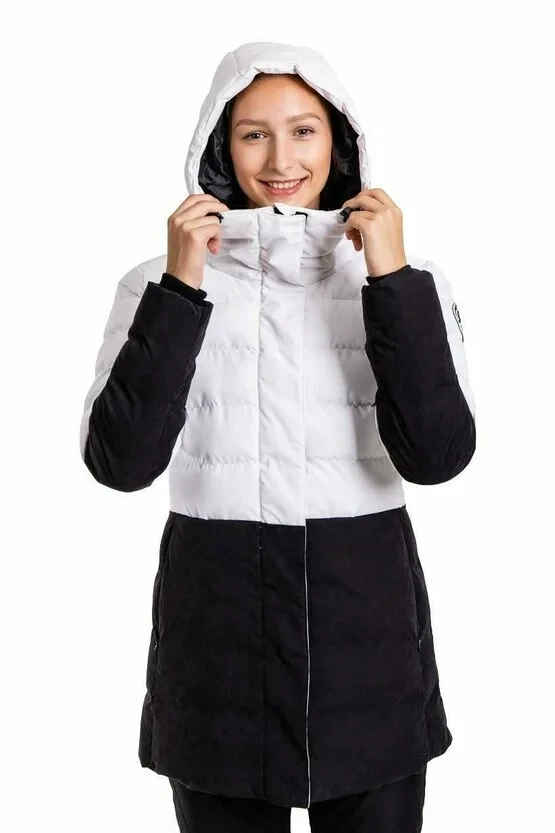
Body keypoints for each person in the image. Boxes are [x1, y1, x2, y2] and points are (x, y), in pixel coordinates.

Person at [79, 41, 476, 832]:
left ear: (339, 141)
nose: (280, 159)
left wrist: (390, 280)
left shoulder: (405, 278)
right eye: (253, 134)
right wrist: (181, 286)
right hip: (217, 642)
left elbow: (436, 457)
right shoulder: (156, 281)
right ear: (220, 146)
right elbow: (119, 462)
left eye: (302, 130)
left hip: (364, 639)